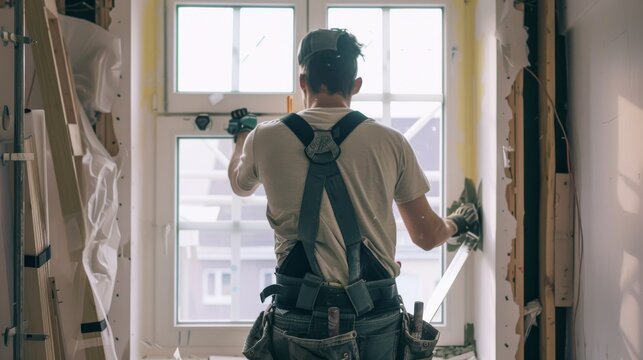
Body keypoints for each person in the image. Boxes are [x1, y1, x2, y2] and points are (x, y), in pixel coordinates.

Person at [227, 28, 479, 360]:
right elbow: (427, 235)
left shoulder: (265, 138)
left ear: (303, 82)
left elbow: (238, 183)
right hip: (373, 319)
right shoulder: (391, 143)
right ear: (356, 85)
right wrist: (456, 223)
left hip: (298, 321)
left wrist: (242, 138)